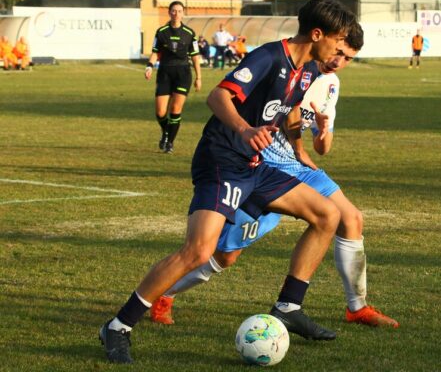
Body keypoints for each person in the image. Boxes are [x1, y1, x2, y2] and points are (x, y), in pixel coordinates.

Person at [99, 0, 355, 364]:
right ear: (317, 34)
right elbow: (218, 96)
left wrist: (299, 145)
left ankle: (288, 306)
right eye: (338, 41)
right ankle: (118, 326)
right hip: (221, 159)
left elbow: (290, 108)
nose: (340, 50)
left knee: (327, 215)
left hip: (255, 165)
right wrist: (246, 129)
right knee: (198, 251)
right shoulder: (268, 57)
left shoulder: (310, 71)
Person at [150, 21, 399, 329]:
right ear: (325, 39)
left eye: (347, 58)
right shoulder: (292, 65)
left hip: (299, 167)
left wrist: (308, 142)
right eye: (339, 51)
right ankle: (165, 293)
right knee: (225, 254)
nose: (338, 61)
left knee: (351, 219)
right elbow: (276, 106)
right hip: (264, 164)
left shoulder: (331, 84)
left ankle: (356, 306)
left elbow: (322, 145)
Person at [144, 0, 202, 154]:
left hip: (183, 73)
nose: (176, 14)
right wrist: (149, 66)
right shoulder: (161, 31)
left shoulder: (190, 33)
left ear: (183, 13)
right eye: (174, 11)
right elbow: (155, 52)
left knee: (176, 109)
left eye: (179, 11)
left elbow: (195, 57)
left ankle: (169, 142)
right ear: (169, 12)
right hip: (165, 73)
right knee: (161, 112)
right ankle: (166, 132)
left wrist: (199, 77)